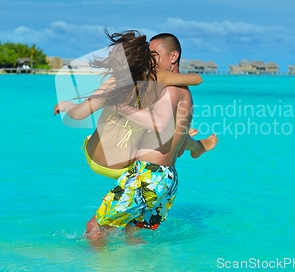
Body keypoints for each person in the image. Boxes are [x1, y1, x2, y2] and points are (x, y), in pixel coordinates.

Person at [85, 33, 218, 240]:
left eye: (155, 55)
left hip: (147, 175)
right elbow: (178, 148)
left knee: (95, 229)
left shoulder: (169, 90)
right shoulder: (186, 94)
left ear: (173, 57)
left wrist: (120, 107)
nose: (150, 60)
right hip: (167, 179)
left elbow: (157, 123)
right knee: (131, 235)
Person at [54, 31, 215, 180]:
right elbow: (197, 79)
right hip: (124, 168)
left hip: (93, 157)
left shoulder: (113, 84)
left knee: (155, 119)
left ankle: (190, 142)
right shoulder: (158, 79)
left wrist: (67, 105)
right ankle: (195, 146)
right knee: (167, 123)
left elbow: (78, 115)